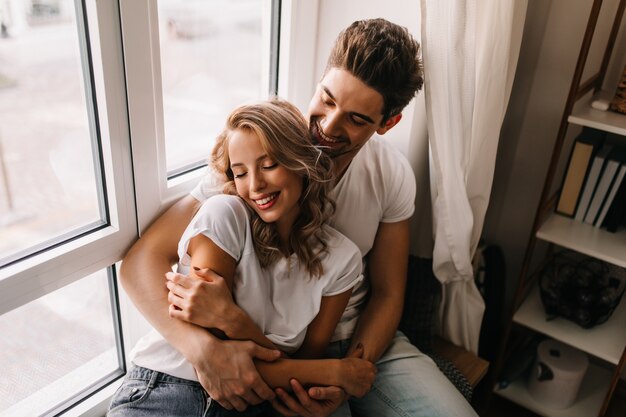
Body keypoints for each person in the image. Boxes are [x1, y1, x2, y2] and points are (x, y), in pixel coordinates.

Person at [120, 18, 479, 417]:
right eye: (327, 99)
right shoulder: (259, 151)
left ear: (387, 124)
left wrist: (345, 375)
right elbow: (140, 263)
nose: (327, 126)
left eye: (357, 119)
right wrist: (201, 348)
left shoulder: (391, 176)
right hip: (268, 344)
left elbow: (388, 293)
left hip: (348, 339)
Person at [109, 99, 376, 416]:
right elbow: (222, 359)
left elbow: (299, 367)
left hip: (256, 402)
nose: (255, 185)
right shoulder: (225, 214)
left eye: (268, 165)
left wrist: (233, 320)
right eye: (240, 173)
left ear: (300, 161)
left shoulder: (342, 260)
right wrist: (336, 373)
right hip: (171, 388)